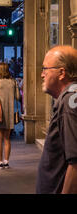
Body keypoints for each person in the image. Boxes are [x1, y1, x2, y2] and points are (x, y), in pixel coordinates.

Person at [36, 45, 77, 194]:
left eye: (45, 69)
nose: (42, 75)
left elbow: (75, 163)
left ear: (61, 73)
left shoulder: (68, 103)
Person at [0, 62, 20, 169]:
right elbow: (17, 97)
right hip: (9, 113)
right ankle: (6, 161)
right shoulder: (13, 82)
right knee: (7, 139)